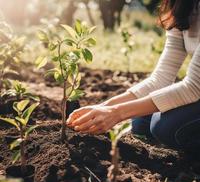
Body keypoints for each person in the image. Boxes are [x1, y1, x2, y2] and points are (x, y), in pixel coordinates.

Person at [67, 0, 200, 153]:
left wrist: (116, 113)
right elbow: (161, 78)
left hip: (196, 89)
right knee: (141, 122)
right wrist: (103, 107)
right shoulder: (181, 7)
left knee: (164, 127)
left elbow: (193, 87)